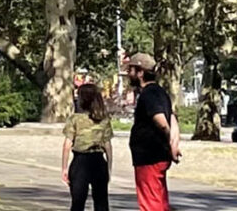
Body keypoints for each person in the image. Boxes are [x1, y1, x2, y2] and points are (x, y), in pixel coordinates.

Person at [124, 53, 180, 211]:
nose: (129, 74)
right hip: (156, 156)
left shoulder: (149, 94)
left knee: (151, 204)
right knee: (160, 201)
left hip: (149, 157)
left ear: (140, 72)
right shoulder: (160, 92)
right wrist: (174, 145)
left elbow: (162, 122)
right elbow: (173, 119)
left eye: (131, 70)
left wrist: (169, 141)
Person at [63, 83, 114, 211]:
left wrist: (64, 167)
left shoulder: (74, 119)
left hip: (80, 161)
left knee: (78, 202)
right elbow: (108, 146)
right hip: (98, 161)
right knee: (101, 202)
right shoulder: (103, 119)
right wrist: (108, 168)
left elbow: (67, 145)